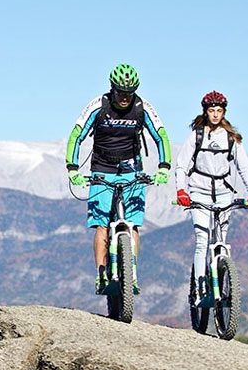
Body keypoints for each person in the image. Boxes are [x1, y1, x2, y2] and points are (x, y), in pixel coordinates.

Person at [65, 63, 172, 294]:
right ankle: (101, 273)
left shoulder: (143, 107)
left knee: (133, 224)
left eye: (129, 93)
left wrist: (164, 166)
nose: (125, 98)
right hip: (102, 169)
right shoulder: (98, 106)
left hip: (132, 169)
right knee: (101, 225)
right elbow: (77, 134)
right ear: (112, 89)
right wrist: (72, 168)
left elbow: (161, 135)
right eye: (121, 93)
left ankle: (131, 273)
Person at [174, 90, 248, 301]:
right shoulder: (197, 135)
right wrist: (181, 190)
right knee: (202, 240)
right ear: (206, 111)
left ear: (224, 112)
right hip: (199, 194)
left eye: (218, 111)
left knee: (221, 240)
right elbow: (181, 166)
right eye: (211, 110)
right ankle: (200, 289)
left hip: (224, 195)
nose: (215, 114)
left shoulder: (231, 138)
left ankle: (223, 280)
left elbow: (244, 167)